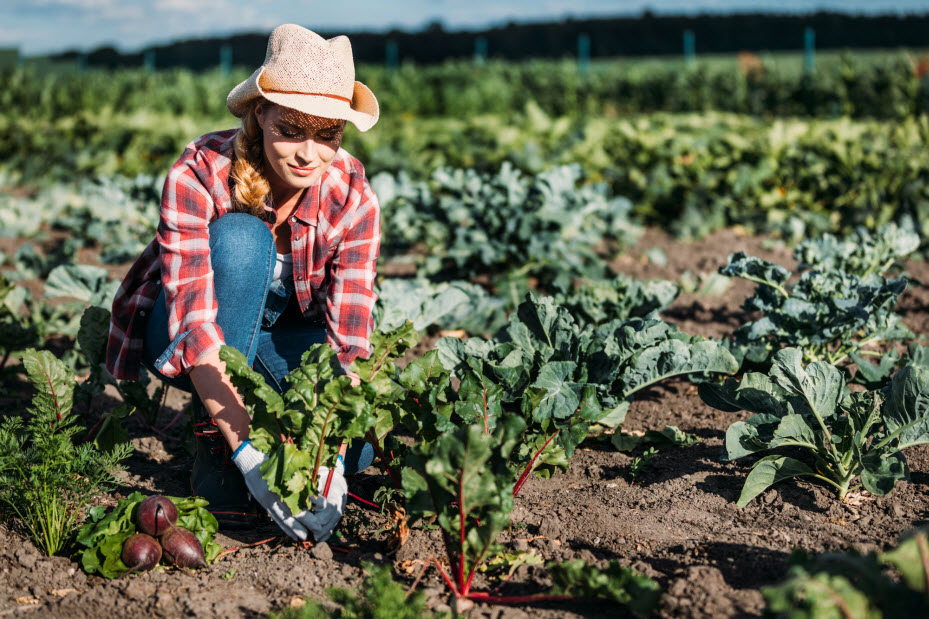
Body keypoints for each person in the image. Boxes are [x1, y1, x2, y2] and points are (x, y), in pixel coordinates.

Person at [106, 24, 380, 543]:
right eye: (292, 130)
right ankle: (215, 438)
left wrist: (332, 457)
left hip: (284, 334)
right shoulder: (201, 171)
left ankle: (261, 428)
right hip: (191, 331)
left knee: (361, 447)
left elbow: (349, 344)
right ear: (261, 113)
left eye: (327, 136)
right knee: (240, 239)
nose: (308, 154)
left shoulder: (353, 197)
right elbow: (196, 326)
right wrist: (249, 453)